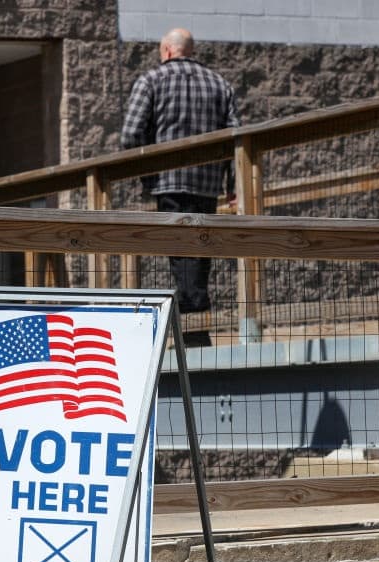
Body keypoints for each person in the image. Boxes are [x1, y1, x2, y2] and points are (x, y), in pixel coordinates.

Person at [121, 27, 239, 346]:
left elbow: (130, 134)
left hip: (168, 182)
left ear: (168, 51)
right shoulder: (220, 84)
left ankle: (193, 336)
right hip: (207, 185)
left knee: (180, 257)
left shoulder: (151, 80)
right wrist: (232, 184)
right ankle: (196, 332)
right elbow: (236, 139)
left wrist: (148, 176)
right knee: (200, 256)